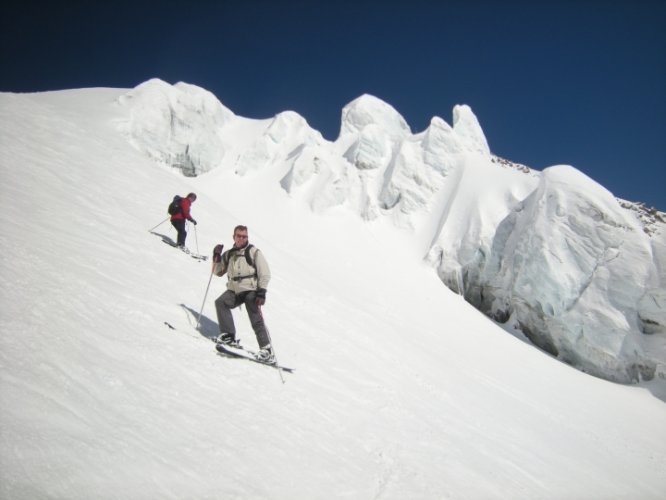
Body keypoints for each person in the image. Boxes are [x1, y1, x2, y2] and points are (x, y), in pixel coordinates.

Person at [212, 225, 274, 363]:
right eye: (239, 236)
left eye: (244, 236)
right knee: (221, 302)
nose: (241, 238)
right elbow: (217, 272)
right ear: (233, 237)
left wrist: (262, 292)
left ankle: (266, 350)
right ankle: (228, 335)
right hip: (234, 290)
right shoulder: (229, 254)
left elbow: (265, 273)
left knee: (255, 317)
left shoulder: (254, 252)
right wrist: (216, 257)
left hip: (250, 289)